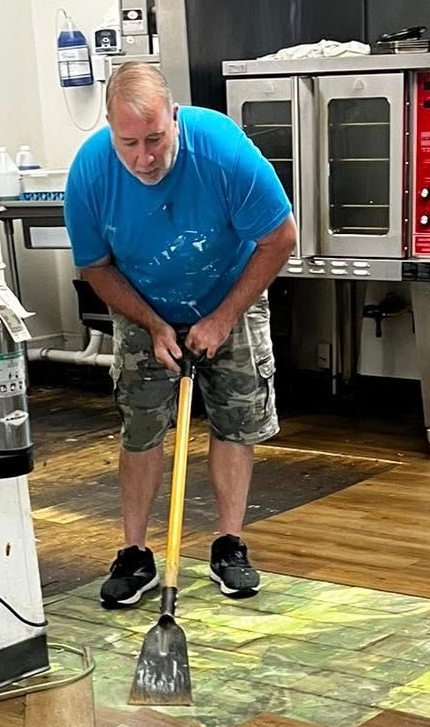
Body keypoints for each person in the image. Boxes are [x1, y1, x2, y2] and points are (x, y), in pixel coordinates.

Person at [64, 61, 297, 608]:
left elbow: (280, 238)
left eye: (155, 138)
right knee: (141, 424)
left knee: (235, 421)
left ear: (175, 117)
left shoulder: (221, 152)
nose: (144, 157)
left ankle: (229, 543)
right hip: (142, 300)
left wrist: (222, 317)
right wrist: (151, 323)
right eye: (129, 143)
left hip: (229, 290)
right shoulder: (92, 173)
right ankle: (135, 553)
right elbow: (95, 267)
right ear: (109, 130)